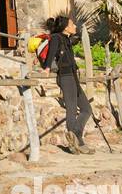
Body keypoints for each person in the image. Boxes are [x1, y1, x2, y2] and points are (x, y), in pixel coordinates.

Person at [39, 13, 93, 154]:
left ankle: (74, 135)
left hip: (73, 77)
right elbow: (51, 52)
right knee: (71, 110)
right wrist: (46, 68)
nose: (75, 26)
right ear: (65, 27)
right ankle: (78, 142)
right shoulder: (56, 38)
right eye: (72, 24)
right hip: (65, 77)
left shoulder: (67, 39)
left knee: (87, 109)